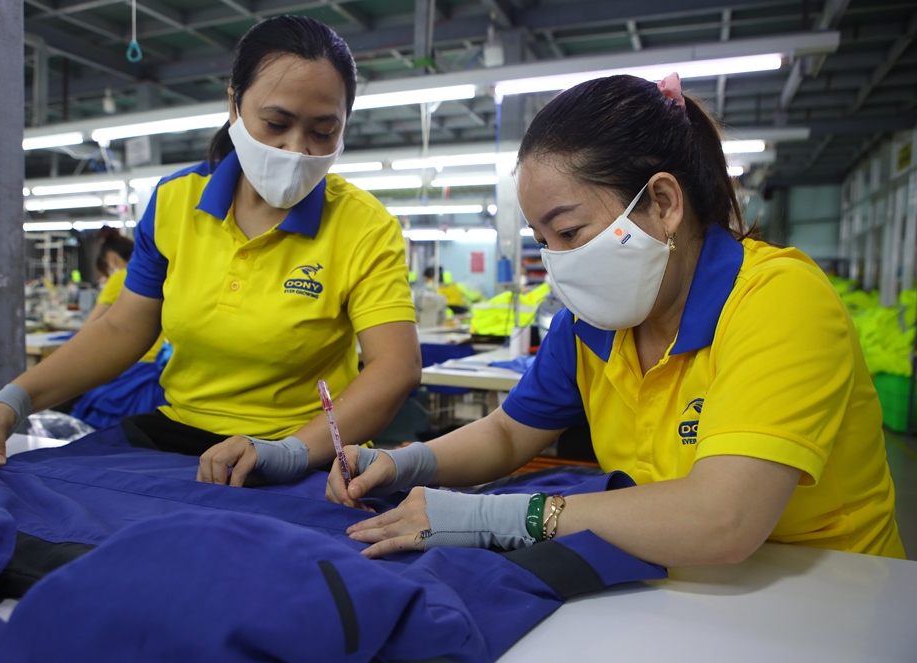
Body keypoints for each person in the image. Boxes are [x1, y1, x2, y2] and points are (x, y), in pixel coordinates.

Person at [328, 73, 906, 565]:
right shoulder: (592, 325)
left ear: (663, 203)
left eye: (569, 231)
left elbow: (722, 518)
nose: (557, 260)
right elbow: (508, 433)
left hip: (827, 596)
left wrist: (495, 516)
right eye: (543, 241)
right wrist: (401, 463)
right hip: (672, 581)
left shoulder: (778, 300)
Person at [0, 15, 421, 486]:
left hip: (302, 448)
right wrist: (16, 398)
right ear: (234, 105)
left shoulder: (364, 225)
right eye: (276, 123)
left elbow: (395, 366)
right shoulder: (176, 201)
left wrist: (294, 451)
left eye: (323, 131)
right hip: (179, 436)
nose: (296, 149)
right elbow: (123, 328)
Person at [68, 227, 168, 429]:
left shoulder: (122, 278)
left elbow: (90, 328)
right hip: (160, 375)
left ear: (111, 259)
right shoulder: (163, 276)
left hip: (130, 372)